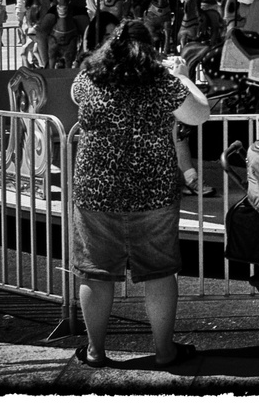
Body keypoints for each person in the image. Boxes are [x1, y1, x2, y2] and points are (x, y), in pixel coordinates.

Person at [70, 19, 209, 367]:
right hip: (153, 193)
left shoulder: (87, 79)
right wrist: (182, 73)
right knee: (159, 272)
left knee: (95, 272)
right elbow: (199, 113)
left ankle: (95, 352)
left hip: (96, 191)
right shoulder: (162, 83)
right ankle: (165, 352)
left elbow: (76, 97)